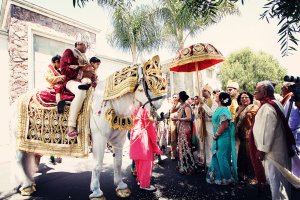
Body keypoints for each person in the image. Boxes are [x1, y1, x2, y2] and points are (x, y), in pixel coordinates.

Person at [253, 80, 294, 199]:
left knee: (276, 183)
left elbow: (267, 131)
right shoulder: (275, 103)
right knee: (279, 183)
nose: (254, 93)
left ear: (264, 92)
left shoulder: (267, 107)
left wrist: (261, 149)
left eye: (257, 91)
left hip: (272, 153)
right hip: (277, 150)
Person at [60, 33, 97, 139]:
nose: (87, 47)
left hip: (85, 82)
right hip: (71, 82)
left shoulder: (84, 57)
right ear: (79, 43)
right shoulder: (69, 52)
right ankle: (70, 127)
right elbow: (64, 69)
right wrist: (81, 69)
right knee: (81, 90)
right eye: (86, 45)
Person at [206, 92, 237, 185]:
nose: (215, 95)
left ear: (221, 99)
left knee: (221, 156)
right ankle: (219, 177)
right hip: (219, 136)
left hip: (223, 137)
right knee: (217, 155)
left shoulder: (224, 110)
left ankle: (227, 178)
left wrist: (216, 135)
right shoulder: (219, 108)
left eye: (217, 95)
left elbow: (224, 125)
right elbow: (217, 120)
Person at [129, 106, 162, 191]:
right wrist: (155, 142)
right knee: (146, 162)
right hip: (143, 138)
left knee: (138, 162)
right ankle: (144, 184)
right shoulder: (145, 109)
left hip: (134, 136)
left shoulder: (134, 108)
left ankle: (140, 180)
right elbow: (150, 128)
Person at [171, 91, 197, 175]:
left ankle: (188, 165)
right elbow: (172, 111)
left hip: (185, 128)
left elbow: (189, 118)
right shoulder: (180, 105)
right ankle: (183, 164)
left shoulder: (186, 106)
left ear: (181, 98)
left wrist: (178, 119)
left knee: (186, 145)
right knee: (181, 146)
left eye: (178, 96)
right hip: (181, 127)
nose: (176, 98)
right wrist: (175, 103)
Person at [235, 92, 258, 183]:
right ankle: (242, 175)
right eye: (242, 97)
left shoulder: (254, 108)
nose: (244, 99)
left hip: (250, 137)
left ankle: (252, 177)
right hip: (241, 137)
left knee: (250, 157)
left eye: (246, 97)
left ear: (250, 98)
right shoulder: (239, 108)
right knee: (242, 156)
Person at [198, 84, 218, 167]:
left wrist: (203, 105)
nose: (202, 92)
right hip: (203, 126)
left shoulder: (213, 102)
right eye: (202, 90)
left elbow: (211, 113)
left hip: (211, 126)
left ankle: (213, 165)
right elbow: (198, 115)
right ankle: (208, 164)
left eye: (204, 90)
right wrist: (199, 111)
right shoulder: (203, 102)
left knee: (211, 145)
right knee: (205, 145)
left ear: (209, 92)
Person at [169, 94, 179, 160]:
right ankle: (173, 153)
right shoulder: (171, 104)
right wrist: (174, 105)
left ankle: (181, 152)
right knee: (173, 139)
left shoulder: (180, 104)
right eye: (173, 97)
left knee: (180, 137)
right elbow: (170, 111)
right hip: (172, 123)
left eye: (176, 97)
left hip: (179, 121)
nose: (175, 98)